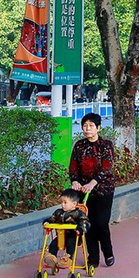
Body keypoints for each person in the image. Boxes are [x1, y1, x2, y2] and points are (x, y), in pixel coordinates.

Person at [70, 113, 116, 268]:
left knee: (101, 223)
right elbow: (73, 166)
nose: (87, 129)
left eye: (91, 126)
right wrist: (75, 181)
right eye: (85, 126)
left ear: (98, 128)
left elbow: (107, 167)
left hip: (103, 190)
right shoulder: (79, 146)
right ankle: (93, 257)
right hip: (84, 191)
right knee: (87, 223)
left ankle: (108, 252)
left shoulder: (106, 145)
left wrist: (93, 183)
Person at [43, 188, 89, 269]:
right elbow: (53, 218)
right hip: (61, 236)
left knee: (70, 243)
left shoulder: (78, 214)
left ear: (74, 204)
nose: (62, 205)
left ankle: (67, 259)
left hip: (74, 236)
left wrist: (80, 229)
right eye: (61, 202)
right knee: (53, 244)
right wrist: (47, 222)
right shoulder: (58, 212)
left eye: (65, 202)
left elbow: (85, 222)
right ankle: (52, 258)